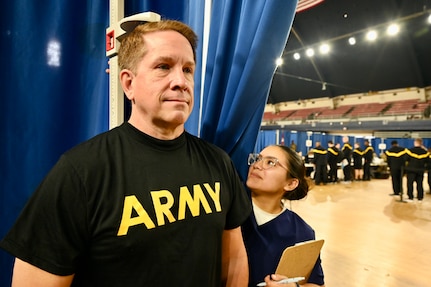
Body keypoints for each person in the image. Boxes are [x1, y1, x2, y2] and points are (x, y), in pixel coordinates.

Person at [0, 20, 252, 287]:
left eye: (188, 69)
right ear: (128, 83)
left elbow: (234, 262)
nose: (181, 81)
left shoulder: (218, 162)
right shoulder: (81, 173)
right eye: (163, 67)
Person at [242, 145, 325, 287]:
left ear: (291, 183)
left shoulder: (301, 232)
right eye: (258, 159)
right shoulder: (229, 210)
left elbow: (316, 284)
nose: (257, 165)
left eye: (270, 163)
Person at [405, 138, 430, 202]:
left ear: (415, 143)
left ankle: (410, 197)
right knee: (419, 184)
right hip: (420, 170)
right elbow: (428, 161)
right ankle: (420, 197)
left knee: (410, 184)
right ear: (421, 143)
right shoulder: (425, 152)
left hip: (411, 170)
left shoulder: (410, 151)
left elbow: (406, 159)